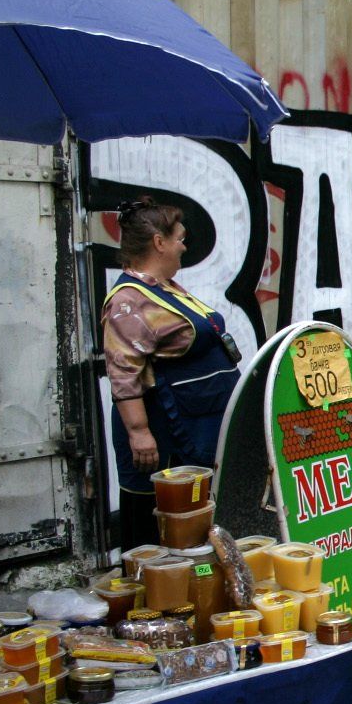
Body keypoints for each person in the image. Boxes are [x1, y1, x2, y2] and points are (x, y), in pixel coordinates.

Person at [102, 197, 241, 548]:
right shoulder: (128, 301)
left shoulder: (163, 287)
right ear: (158, 242)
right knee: (162, 527)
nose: (184, 247)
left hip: (196, 424)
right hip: (167, 432)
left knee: (195, 520)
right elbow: (123, 372)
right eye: (179, 239)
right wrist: (139, 432)